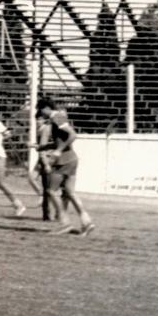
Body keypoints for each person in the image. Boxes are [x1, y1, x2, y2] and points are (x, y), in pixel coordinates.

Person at [37, 97, 94, 235]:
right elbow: (62, 140)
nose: (40, 114)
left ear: (46, 108)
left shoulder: (57, 117)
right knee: (70, 192)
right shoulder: (57, 118)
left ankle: (64, 223)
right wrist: (43, 147)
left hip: (64, 160)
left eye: (40, 110)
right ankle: (87, 222)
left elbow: (73, 135)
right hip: (72, 158)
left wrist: (58, 151)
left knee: (51, 191)